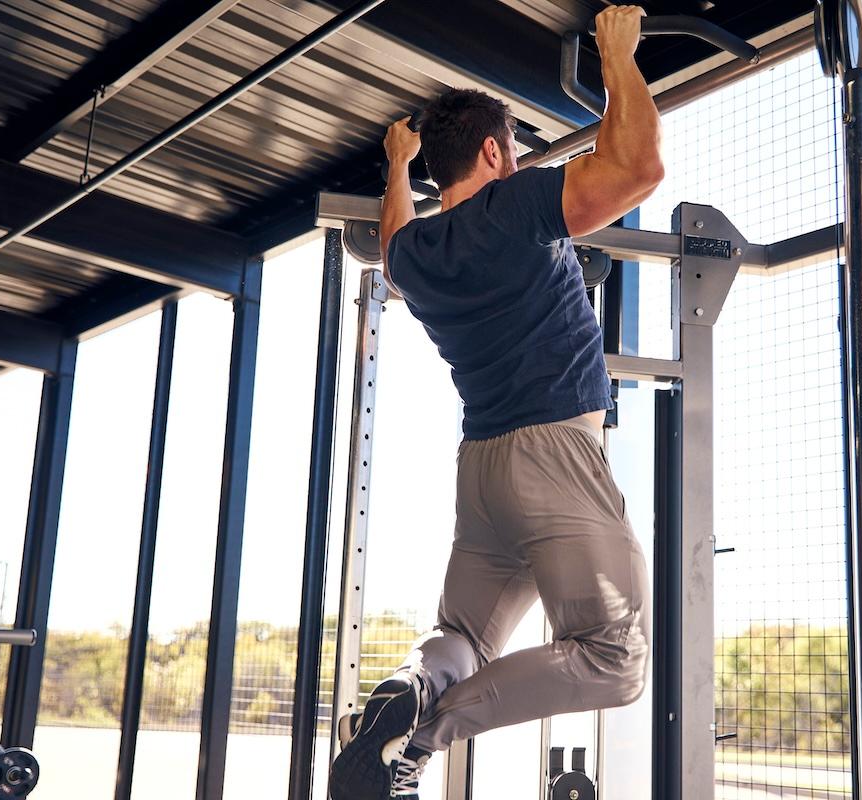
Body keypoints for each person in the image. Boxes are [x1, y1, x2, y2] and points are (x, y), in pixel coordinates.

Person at [329, 6, 663, 799]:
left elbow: (392, 230)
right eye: (510, 146)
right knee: (613, 660)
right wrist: (618, 57)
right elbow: (638, 169)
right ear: (493, 149)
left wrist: (399, 167)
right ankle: (417, 739)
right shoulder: (512, 210)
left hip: (483, 470)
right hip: (556, 458)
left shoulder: (412, 257)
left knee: (463, 638)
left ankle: (406, 695)